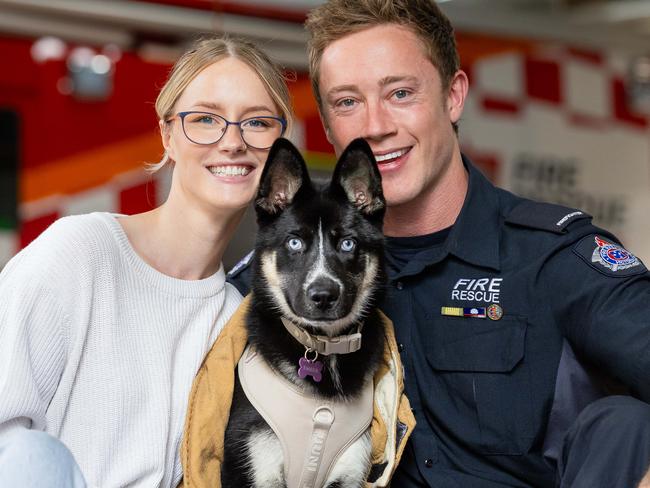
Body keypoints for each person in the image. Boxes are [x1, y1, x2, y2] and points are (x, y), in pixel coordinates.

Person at [227, 1, 650, 487]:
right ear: (326, 126)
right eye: (347, 102)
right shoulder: (269, 290)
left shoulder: (551, 258)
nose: (375, 124)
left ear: (453, 96)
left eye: (400, 92)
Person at [0, 35, 292, 487]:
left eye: (256, 123)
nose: (232, 141)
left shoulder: (238, 322)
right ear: (167, 136)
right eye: (206, 118)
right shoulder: (79, 254)